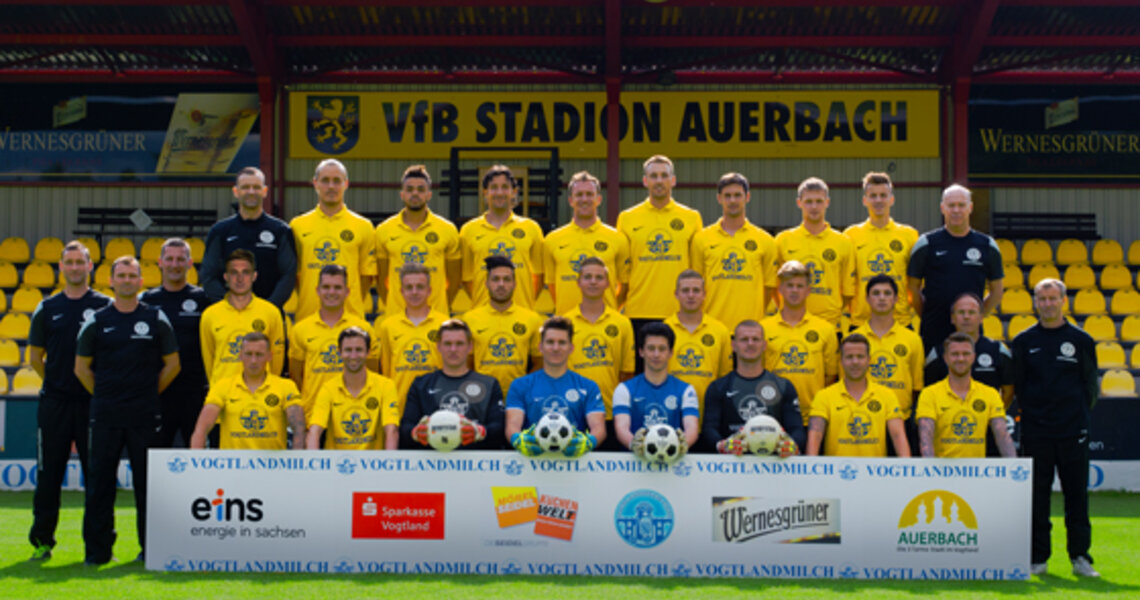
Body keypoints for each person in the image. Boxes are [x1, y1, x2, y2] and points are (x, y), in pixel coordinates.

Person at [75, 256, 180, 565]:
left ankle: (150, 549)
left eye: (132, 276)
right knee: (100, 485)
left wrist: (147, 393)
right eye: (120, 276)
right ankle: (97, 552)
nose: (126, 280)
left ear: (140, 281)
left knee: (148, 486)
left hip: (144, 414)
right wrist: (105, 395)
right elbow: (81, 368)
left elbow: (173, 365)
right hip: (106, 414)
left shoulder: (156, 317)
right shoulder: (97, 320)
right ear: (110, 281)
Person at [26, 241, 111, 561]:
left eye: (80, 262)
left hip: (93, 405)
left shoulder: (105, 306)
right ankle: (42, 542)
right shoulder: (47, 308)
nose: (75, 268)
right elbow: (35, 358)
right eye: (69, 262)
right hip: (55, 404)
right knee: (49, 474)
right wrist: (56, 382)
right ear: (61, 267)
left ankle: (99, 546)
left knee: (97, 476)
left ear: (90, 266)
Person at [1012, 278, 1099, 578]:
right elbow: (1019, 386)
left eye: (1052, 298)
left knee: (1077, 498)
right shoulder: (1023, 341)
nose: (1047, 304)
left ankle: (1080, 557)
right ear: (1035, 302)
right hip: (1037, 433)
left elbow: (1090, 386)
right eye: (1042, 298)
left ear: (1063, 300)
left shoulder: (1081, 340)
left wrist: (1076, 418)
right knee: (1037, 499)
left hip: (1073, 433)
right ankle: (1038, 558)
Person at [907, 183, 1004, 352]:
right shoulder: (926, 243)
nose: (956, 210)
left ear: (970, 207)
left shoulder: (987, 245)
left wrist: (976, 316)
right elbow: (912, 288)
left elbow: (997, 291)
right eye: (951, 205)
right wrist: (928, 314)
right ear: (942, 208)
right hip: (933, 332)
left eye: (961, 205)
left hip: (970, 334)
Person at [616, 155, 703, 336]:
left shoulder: (691, 217)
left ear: (673, 180)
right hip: (638, 311)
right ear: (645, 181)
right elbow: (622, 271)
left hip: (679, 312)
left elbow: (697, 269)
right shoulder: (626, 218)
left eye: (664, 175)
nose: (659, 180)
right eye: (653, 176)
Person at [924, 292, 1015, 456]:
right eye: (961, 312)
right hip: (948, 437)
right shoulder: (937, 353)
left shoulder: (997, 350)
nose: (966, 317)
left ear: (981, 317)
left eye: (972, 312)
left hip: (988, 433)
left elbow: (1008, 390)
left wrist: (987, 417)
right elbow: (928, 392)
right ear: (952, 318)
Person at [140, 238, 211, 448]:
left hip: (195, 392)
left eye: (180, 259)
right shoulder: (147, 301)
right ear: (160, 262)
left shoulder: (204, 299)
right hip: (159, 392)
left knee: (196, 456)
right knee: (155, 454)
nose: (174, 264)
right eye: (169, 259)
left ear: (190, 263)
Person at [505, 316, 606, 457]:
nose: (556, 348)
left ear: (571, 348)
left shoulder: (588, 386)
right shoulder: (520, 385)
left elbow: (599, 427)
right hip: (532, 461)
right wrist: (517, 439)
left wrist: (589, 442)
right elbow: (512, 425)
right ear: (540, 347)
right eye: (550, 342)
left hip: (574, 462)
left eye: (562, 342)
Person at [291, 158, 377, 320]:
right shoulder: (297, 225)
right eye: (325, 181)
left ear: (346, 184)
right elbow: (293, 275)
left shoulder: (363, 226)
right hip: (308, 317)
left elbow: (367, 276)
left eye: (337, 181)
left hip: (350, 319)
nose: (331, 186)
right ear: (315, 183)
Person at [689, 172, 777, 331]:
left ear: (747, 197)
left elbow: (769, 287)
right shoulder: (701, 239)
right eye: (727, 196)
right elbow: (695, 285)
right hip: (711, 329)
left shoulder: (765, 241)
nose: (733, 201)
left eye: (737, 195)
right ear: (719, 198)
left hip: (750, 333)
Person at [288, 264, 377, 421]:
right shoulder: (300, 329)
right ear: (317, 290)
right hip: (313, 414)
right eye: (326, 287)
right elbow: (296, 376)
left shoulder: (364, 329)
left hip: (352, 413)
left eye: (337, 287)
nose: (331, 292)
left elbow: (372, 373)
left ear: (347, 292)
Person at [702, 320, 803, 457]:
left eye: (756, 339)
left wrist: (791, 444)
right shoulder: (718, 387)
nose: (750, 343)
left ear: (764, 345)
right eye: (744, 339)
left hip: (774, 463)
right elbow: (709, 429)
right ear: (733, 345)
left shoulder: (783, 386)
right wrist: (722, 445)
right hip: (733, 462)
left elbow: (797, 429)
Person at [199, 166, 296, 307]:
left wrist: (267, 308)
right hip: (230, 313)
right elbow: (208, 275)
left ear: (265, 191)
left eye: (256, 187)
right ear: (236, 192)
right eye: (245, 187)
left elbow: (288, 275)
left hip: (267, 314)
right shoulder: (220, 231)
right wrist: (229, 306)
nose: (251, 192)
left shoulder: (280, 230)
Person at [563, 257, 634, 448]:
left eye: (599, 277)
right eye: (587, 277)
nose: (593, 282)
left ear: (608, 283)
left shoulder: (622, 323)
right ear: (578, 282)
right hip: (572, 412)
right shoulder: (565, 322)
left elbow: (626, 374)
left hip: (610, 413)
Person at [401, 319, 505, 450]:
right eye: (447, 344)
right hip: (433, 459)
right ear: (438, 346)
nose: (453, 349)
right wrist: (415, 433)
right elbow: (406, 427)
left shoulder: (489, 384)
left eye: (459, 344)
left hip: (475, 460)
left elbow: (499, 427)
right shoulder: (421, 384)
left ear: (470, 346)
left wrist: (480, 432)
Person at [190, 332, 305, 450]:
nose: (253, 360)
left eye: (259, 354)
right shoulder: (223, 386)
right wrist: (195, 458)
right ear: (240, 355)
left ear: (269, 356)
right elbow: (201, 430)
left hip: (273, 461)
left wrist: (297, 459)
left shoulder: (286, 386)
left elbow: (299, 429)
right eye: (248, 354)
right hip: (234, 461)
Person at [374, 164, 461, 316]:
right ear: (402, 194)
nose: (415, 193)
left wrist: (440, 306)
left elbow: (454, 280)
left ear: (429, 194)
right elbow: (381, 280)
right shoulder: (384, 230)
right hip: (397, 317)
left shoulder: (447, 229)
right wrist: (395, 306)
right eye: (409, 189)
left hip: (436, 317)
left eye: (421, 189)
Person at [760, 261, 838, 426]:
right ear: (780, 289)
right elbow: (758, 372)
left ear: (808, 290)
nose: (794, 290)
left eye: (799, 286)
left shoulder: (826, 329)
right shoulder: (763, 328)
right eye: (789, 286)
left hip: (814, 416)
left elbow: (830, 376)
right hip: (773, 415)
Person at [806, 333, 909, 457]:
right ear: (841, 361)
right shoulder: (824, 396)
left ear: (869, 360)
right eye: (849, 357)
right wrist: (810, 465)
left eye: (860, 356)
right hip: (837, 468)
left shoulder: (887, 395)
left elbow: (898, 435)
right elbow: (815, 435)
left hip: (875, 468)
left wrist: (907, 464)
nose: (855, 362)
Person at [851, 275, 924, 450]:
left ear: (896, 299)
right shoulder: (854, 338)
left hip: (902, 420)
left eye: (887, 293)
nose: (882, 298)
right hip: (865, 421)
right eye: (876, 293)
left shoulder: (912, 339)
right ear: (867, 299)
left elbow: (916, 387)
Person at [542, 170, 630, 315]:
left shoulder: (618, 238)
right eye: (579, 194)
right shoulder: (552, 240)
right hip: (567, 322)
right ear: (570, 200)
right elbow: (552, 286)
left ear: (599, 199)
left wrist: (609, 310)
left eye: (589, 194)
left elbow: (624, 286)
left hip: (604, 322)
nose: (584, 199)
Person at [774, 177, 856, 328]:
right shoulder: (782, 240)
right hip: (791, 325)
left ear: (827, 202)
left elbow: (848, 292)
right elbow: (774, 286)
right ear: (799, 203)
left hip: (830, 325)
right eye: (808, 201)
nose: (814, 206)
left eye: (819, 201)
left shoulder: (844, 242)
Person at [916, 332, 1015, 458]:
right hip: (941, 468)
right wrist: (930, 467)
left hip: (977, 469)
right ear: (945, 358)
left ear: (973, 357)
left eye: (966, 354)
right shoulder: (930, 394)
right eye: (955, 354)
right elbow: (926, 438)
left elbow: (1002, 435)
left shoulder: (990, 394)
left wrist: (1014, 465)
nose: (961, 358)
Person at [459, 164, 544, 310]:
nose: (499, 192)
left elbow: (539, 276)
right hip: (482, 314)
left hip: (522, 313)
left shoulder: (532, 228)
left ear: (514, 192)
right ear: (485, 192)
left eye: (505, 187)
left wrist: (524, 302)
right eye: (494, 187)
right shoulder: (468, 230)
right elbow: (466, 279)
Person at [843, 171, 919, 328]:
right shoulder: (850, 235)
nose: (878, 200)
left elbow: (916, 282)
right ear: (865, 200)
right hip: (861, 322)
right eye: (873, 196)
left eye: (883, 195)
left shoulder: (909, 235)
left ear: (892, 199)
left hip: (900, 321)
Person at [612, 323, 699, 458]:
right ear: (641, 351)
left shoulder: (686, 390)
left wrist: (682, 445)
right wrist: (633, 444)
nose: (656, 354)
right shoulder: (624, 389)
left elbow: (692, 428)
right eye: (651, 348)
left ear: (671, 353)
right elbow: (621, 428)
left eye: (662, 349)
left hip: (673, 462)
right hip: (634, 463)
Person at [199, 249, 285, 384]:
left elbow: (276, 359)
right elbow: (209, 361)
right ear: (226, 277)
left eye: (245, 272)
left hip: (259, 393)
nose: (240, 278)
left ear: (254, 276)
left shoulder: (271, 312)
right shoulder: (210, 315)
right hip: (224, 394)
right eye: (234, 273)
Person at [306, 327, 400, 450]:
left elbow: (391, 430)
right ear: (339, 352)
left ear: (368, 352)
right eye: (348, 350)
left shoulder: (386, 385)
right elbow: (314, 431)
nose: (353, 356)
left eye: (359, 350)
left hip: (374, 461)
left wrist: (389, 460)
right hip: (337, 460)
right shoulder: (328, 388)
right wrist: (313, 459)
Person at [374, 263, 449, 416]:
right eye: (409, 287)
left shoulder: (444, 324)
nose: (414, 292)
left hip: (437, 407)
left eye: (420, 287)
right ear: (401, 291)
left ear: (429, 291)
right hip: (400, 407)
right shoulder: (388, 326)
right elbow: (386, 372)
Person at [462, 255, 543, 395]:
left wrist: (523, 387)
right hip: (482, 397)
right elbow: (467, 362)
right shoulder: (470, 319)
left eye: (506, 279)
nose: (501, 284)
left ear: (514, 284)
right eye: (495, 279)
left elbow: (539, 362)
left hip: (518, 397)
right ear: (486, 283)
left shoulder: (532, 319)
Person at [663, 270, 733, 418]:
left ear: (704, 294)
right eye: (685, 290)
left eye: (696, 290)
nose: (691, 295)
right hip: (671, 412)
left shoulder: (720, 331)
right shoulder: (664, 329)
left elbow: (725, 378)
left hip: (709, 414)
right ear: (676, 294)